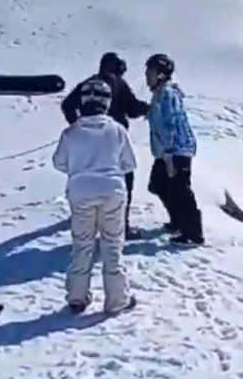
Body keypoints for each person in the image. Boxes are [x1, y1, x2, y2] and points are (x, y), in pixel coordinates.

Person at [52, 79, 139, 315]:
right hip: (113, 191)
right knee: (112, 245)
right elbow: (130, 163)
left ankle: (77, 297)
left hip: (80, 191)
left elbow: (59, 162)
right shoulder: (117, 130)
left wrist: (79, 169)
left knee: (82, 244)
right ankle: (117, 299)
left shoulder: (70, 133)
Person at [60, 52, 151, 238]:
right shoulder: (118, 83)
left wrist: (78, 126)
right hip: (114, 139)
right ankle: (120, 226)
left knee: (87, 178)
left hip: (87, 142)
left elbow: (67, 104)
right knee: (123, 182)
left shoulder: (88, 84)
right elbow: (132, 108)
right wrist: (148, 108)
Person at [143, 53, 203, 245]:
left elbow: (171, 123)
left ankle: (193, 233)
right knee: (158, 185)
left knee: (180, 190)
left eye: (150, 72)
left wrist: (169, 153)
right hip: (167, 151)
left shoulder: (167, 94)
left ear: (160, 74)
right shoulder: (161, 93)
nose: (146, 76)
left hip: (176, 150)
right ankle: (178, 221)